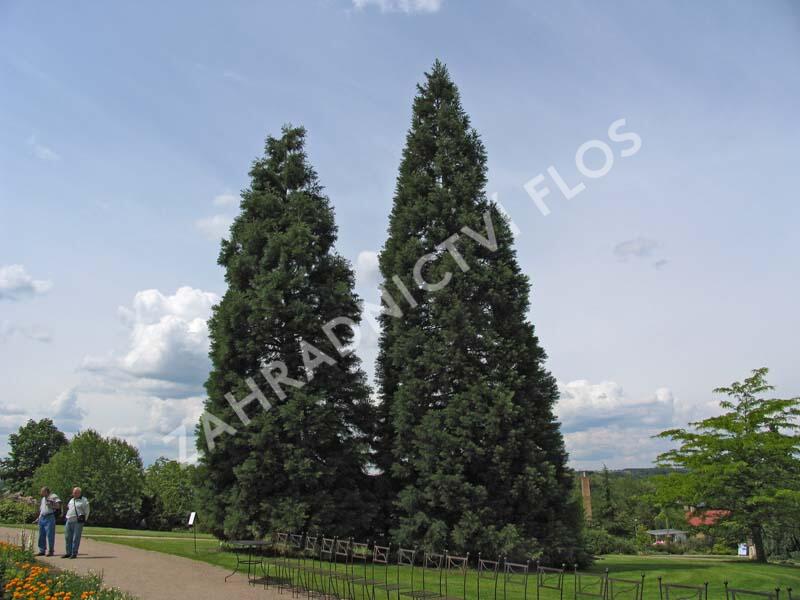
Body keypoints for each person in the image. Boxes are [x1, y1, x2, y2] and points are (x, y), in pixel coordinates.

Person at [62, 487, 90, 559]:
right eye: (73, 492)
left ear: (79, 493)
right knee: (67, 537)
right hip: (69, 519)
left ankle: (74, 553)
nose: (73, 494)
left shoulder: (84, 500)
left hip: (78, 521)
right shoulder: (71, 500)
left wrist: (84, 520)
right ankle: (68, 553)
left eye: (75, 492)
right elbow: (69, 508)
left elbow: (87, 511)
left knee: (76, 537)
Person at [35, 487, 60, 556]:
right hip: (42, 517)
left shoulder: (53, 496)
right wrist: (38, 518)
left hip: (49, 517)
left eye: (42, 491)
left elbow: (58, 506)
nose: (41, 493)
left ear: (46, 491)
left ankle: (51, 551)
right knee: (41, 534)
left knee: (50, 535)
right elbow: (42, 510)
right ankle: (42, 550)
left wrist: (51, 505)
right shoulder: (43, 499)